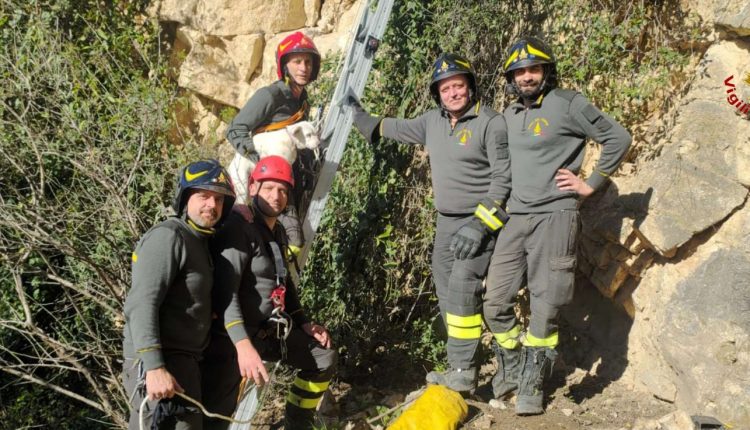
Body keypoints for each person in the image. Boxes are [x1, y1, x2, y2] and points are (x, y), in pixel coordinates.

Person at [484, 36, 632, 415]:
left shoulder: (567, 103)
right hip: (516, 217)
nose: (527, 76)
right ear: (511, 78)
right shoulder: (508, 115)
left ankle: (533, 377)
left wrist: (590, 184)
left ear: (546, 71)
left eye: (534, 69)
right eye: (519, 72)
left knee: (546, 302)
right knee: (495, 300)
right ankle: (513, 363)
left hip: (556, 215)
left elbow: (618, 138)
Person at [347, 53, 511, 392]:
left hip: (478, 222)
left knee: (463, 286)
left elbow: (503, 180)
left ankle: (465, 371)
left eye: (458, 86)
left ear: (470, 87)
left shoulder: (490, 123)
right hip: (446, 224)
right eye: (445, 89)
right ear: (437, 94)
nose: (453, 93)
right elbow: (395, 127)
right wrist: (358, 116)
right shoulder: (432, 121)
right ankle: (463, 364)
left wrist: (480, 225)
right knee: (447, 293)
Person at [202, 156, 337, 430]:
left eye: (283, 190)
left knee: (323, 357)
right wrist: (242, 346)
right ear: (253, 188)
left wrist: (303, 322)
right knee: (216, 416)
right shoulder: (238, 227)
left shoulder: (277, 231)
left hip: (270, 332)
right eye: (269, 188)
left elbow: (283, 281)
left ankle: (298, 424)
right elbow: (226, 292)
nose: (276, 196)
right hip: (233, 339)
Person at [122, 159, 236, 429]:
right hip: (160, 363)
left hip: (186, 363)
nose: (212, 205)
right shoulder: (168, 236)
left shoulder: (200, 243)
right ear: (185, 199)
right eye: (203, 196)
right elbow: (141, 304)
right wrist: (154, 367)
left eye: (219, 199)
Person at [225, 31, 321, 259]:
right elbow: (235, 129)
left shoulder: (301, 101)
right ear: (285, 65)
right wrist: (262, 164)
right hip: (267, 183)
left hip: (291, 180)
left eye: (308, 62)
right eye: (297, 61)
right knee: (290, 239)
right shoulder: (270, 95)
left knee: (281, 239)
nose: (303, 68)